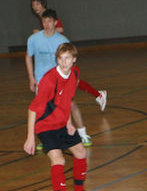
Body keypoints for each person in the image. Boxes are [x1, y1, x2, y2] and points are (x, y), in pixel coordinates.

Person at [24, 43, 102, 191]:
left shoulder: (74, 73)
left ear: (74, 59)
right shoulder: (49, 80)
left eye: (67, 58)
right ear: (57, 59)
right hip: (46, 126)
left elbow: (66, 98)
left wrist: (69, 122)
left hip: (62, 124)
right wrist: (30, 137)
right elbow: (33, 109)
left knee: (81, 153)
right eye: (60, 58)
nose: (63, 62)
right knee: (58, 160)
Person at [25, 9, 107, 148]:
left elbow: (71, 61)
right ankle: (44, 140)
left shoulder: (62, 40)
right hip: (43, 82)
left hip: (61, 82)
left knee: (71, 105)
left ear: (55, 22)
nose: (47, 24)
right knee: (42, 111)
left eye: (50, 21)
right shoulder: (34, 39)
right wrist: (31, 77)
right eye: (44, 21)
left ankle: (82, 133)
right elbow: (28, 56)